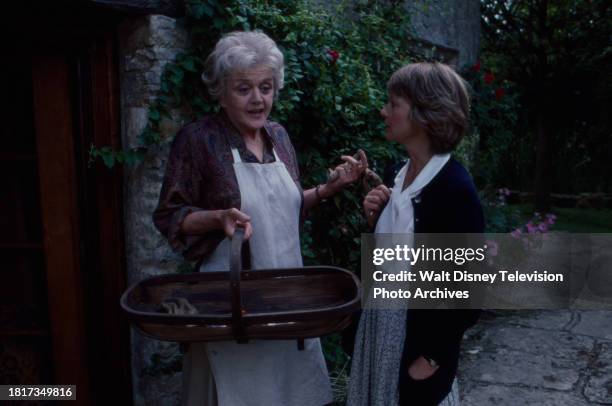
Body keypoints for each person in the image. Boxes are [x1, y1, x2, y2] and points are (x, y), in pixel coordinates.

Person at [153, 31, 365, 406]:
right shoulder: (198, 140)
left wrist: (327, 190)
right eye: (244, 89)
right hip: (231, 306)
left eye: (266, 87)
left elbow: (282, 210)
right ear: (220, 90)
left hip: (288, 301)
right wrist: (218, 217)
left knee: (291, 393)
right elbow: (170, 215)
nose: (258, 99)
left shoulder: (279, 136)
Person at [347, 62, 484, 406]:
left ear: (424, 114)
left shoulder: (454, 189)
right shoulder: (398, 175)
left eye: (393, 104)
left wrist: (432, 358)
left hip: (415, 341)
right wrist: (378, 218)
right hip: (380, 329)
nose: (384, 111)